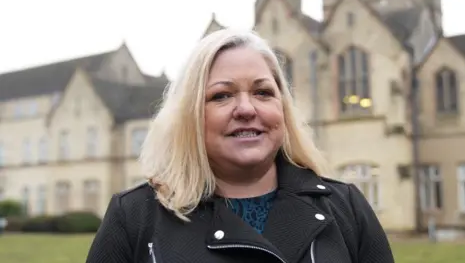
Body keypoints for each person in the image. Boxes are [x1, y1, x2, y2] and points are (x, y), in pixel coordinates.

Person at [86, 28, 394, 263]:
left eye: (262, 92)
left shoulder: (346, 207)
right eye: (222, 95)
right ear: (190, 116)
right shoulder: (135, 217)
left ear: (283, 109)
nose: (247, 109)